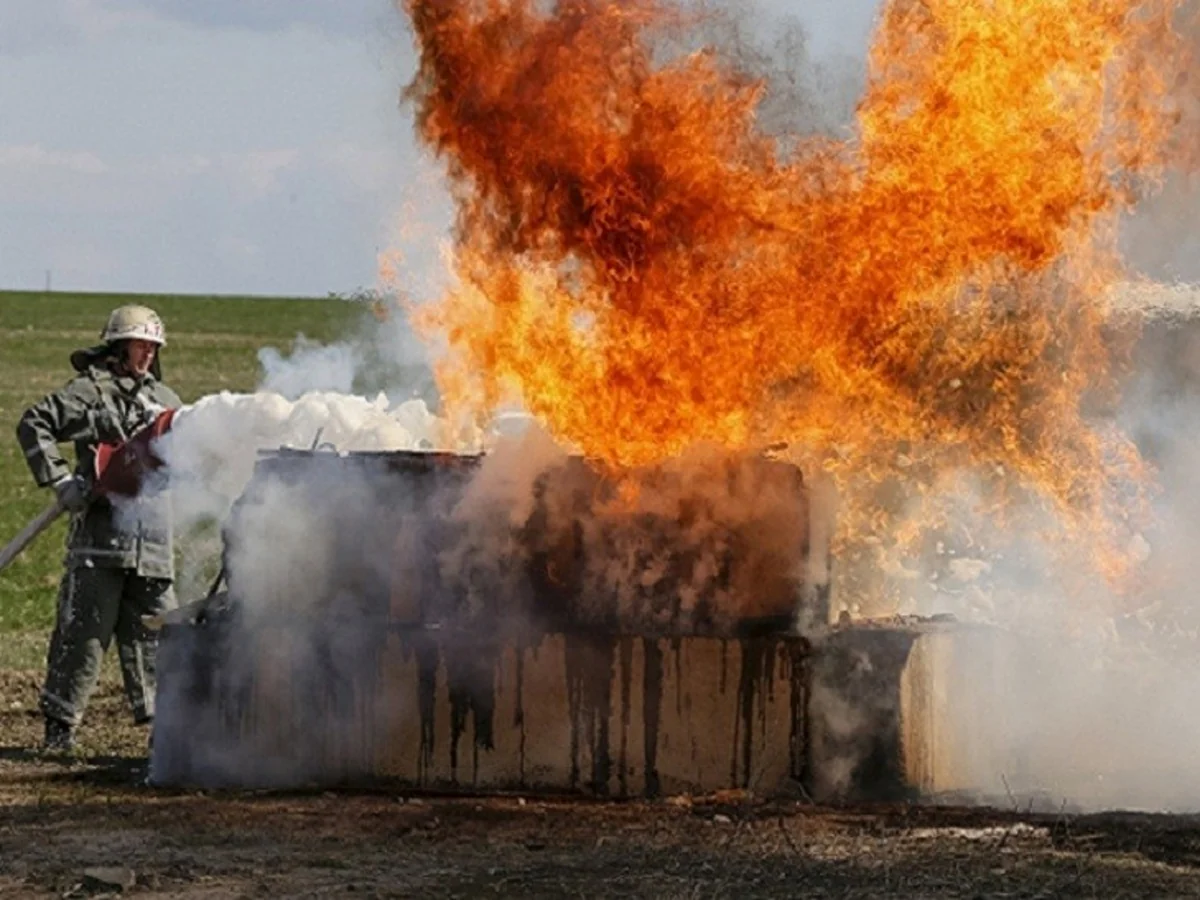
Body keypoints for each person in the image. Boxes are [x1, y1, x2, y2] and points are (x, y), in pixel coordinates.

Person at [16, 305, 181, 752]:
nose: (147, 353)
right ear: (118, 345)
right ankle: (60, 731)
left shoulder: (169, 402)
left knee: (164, 637)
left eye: (153, 346)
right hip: (101, 542)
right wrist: (61, 480)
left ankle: (165, 734)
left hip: (154, 545)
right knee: (83, 636)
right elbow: (34, 423)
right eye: (140, 344)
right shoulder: (89, 393)